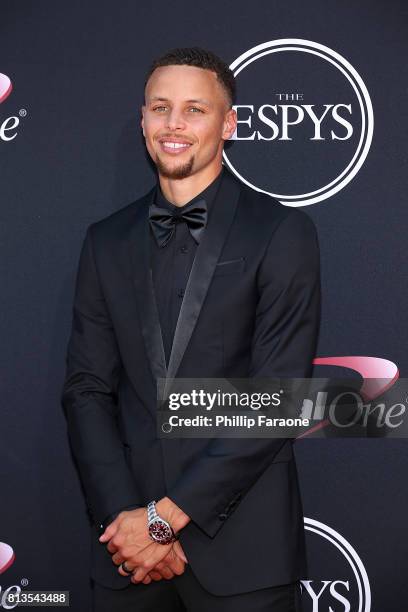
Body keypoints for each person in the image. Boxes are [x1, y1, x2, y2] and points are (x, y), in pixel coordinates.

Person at [61, 46, 321, 612]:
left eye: (195, 110)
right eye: (160, 108)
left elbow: (276, 399)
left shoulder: (282, 232)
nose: (174, 124)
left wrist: (164, 519)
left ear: (228, 123)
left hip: (242, 551)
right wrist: (127, 523)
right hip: (125, 554)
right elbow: (87, 390)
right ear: (143, 121)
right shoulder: (105, 240)